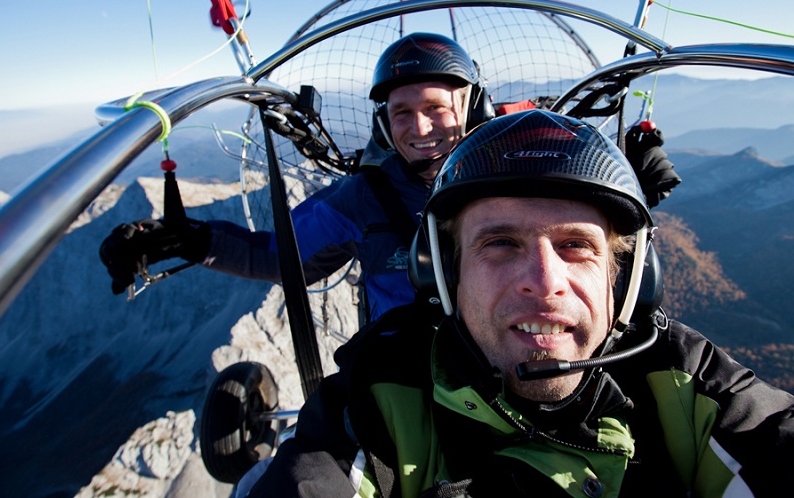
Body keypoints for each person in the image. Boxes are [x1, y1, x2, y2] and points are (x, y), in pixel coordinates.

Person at [245, 109, 793, 498]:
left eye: (576, 246)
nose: (543, 281)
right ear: (443, 274)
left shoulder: (683, 382)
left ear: (627, 281)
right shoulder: (383, 392)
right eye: (501, 243)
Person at [99, 33, 680, 323]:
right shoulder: (364, 196)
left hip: (528, 358)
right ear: (384, 120)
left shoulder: (529, 167)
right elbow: (282, 255)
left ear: (471, 104)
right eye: (402, 113)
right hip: (406, 377)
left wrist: (634, 181)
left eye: (435, 107)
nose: (419, 127)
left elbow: (595, 233)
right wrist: (192, 241)